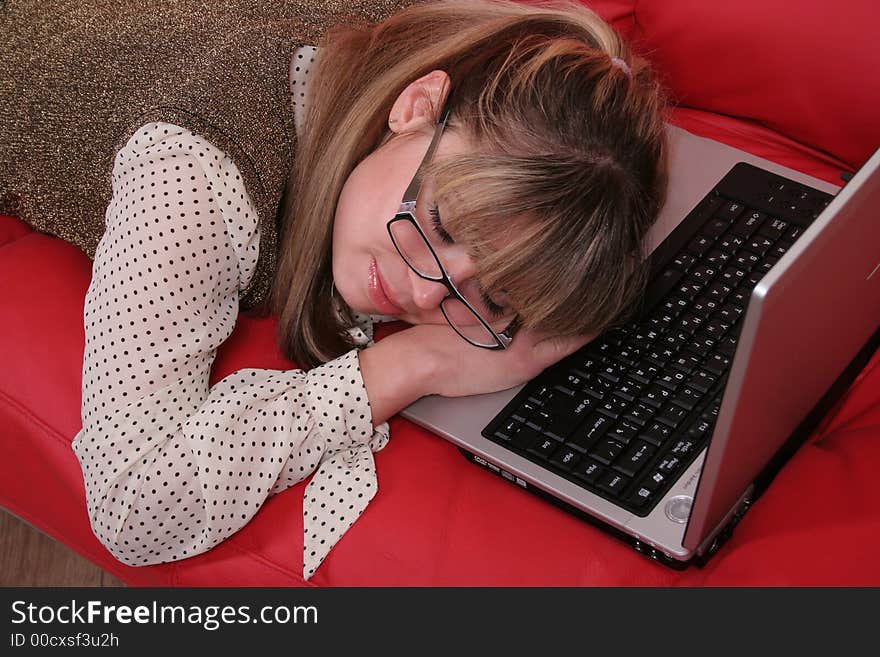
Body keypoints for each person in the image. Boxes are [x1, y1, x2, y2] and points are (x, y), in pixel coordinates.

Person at [0, 0, 668, 580]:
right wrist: (415, 363)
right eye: (438, 222)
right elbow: (133, 505)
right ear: (416, 105)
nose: (422, 292)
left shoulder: (456, 57)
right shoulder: (195, 178)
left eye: (488, 298)